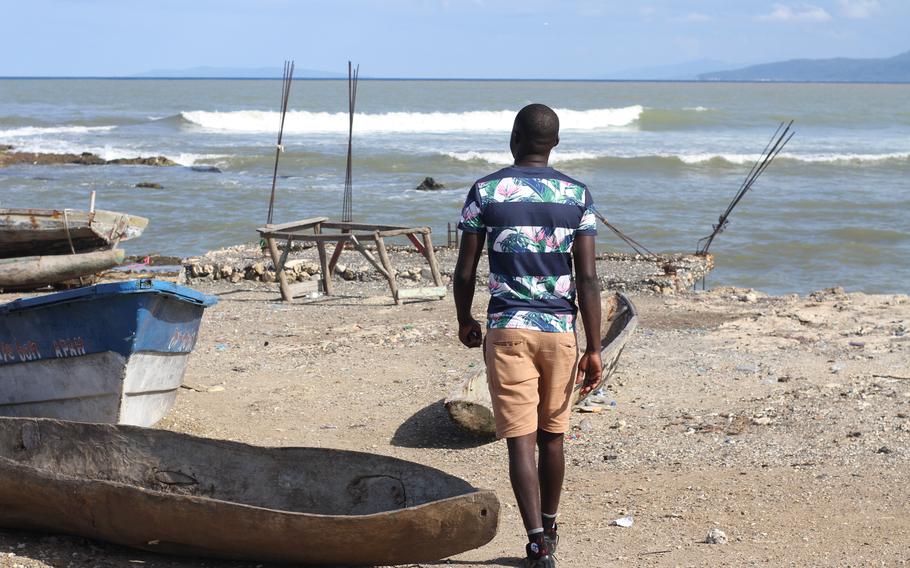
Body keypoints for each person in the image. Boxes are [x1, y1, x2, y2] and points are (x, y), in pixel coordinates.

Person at [453, 103, 603, 567]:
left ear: (514, 136)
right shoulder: (576, 194)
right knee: (551, 438)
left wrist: (465, 319)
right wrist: (594, 346)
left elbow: (465, 270)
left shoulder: (486, 191)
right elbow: (588, 279)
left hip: (508, 328)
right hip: (559, 331)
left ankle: (537, 544)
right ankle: (552, 527)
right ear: (553, 142)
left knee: (520, 440)